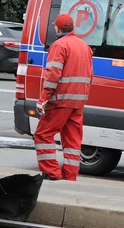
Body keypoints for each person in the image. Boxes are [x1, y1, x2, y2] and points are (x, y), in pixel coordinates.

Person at [34, 13, 94, 181]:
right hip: (78, 102)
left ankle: (52, 173)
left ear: (58, 28)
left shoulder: (59, 45)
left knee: (43, 134)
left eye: (55, 26)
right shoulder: (84, 46)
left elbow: (53, 74)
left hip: (61, 100)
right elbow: (90, 75)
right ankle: (70, 177)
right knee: (73, 142)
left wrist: (43, 98)